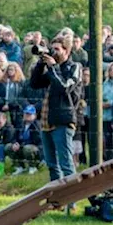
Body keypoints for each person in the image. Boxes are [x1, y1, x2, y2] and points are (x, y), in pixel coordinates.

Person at [29, 33, 83, 183]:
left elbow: (64, 88)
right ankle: (58, 200)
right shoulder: (53, 70)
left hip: (63, 121)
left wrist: (53, 67)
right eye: (52, 49)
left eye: (57, 49)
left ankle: (71, 200)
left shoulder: (74, 67)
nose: (54, 52)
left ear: (67, 51)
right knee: (52, 165)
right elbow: (34, 84)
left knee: (66, 164)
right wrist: (41, 63)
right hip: (47, 120)